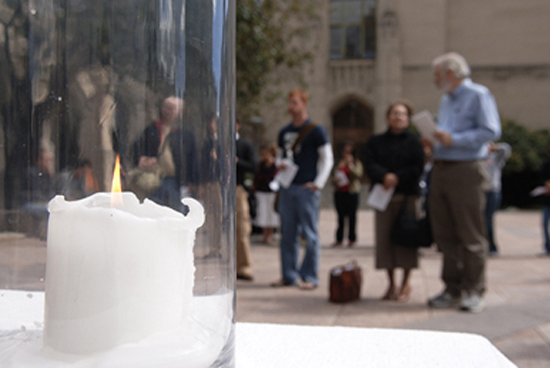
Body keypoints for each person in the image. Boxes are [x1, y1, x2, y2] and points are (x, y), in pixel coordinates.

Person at [425, 52, 501, 313]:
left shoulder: (478, 94)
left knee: (470, 234)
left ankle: (474, 290)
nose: (434, 80)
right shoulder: (446, 99)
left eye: (436, 75)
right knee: (445, 236)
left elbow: (491, 130)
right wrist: (434, 139)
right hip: (441, 169)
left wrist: (453, 140)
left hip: (466, 170)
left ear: (450, 73)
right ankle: (452, 288)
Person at [271, 88, 333, 290]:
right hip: (288, 187)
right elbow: (280, 156)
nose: (292, 107)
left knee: (310, 234)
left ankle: (309, 276)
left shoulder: (316, 130)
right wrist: (279, 164)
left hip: (306, 188)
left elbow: (327, 158)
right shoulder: (284, 131)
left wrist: (318, 183)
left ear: (304, 104)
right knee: (287, 234)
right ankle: (288, 275)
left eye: (295, 102)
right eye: (289, 103)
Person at [364, 100, 424, 301]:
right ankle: (391, 284)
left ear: (408, 119)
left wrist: (397, 177)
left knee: (407, 240)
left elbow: (418, 167)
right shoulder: (376, 141)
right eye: (395, 113)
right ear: (388, 117)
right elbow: (369, 164)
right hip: (384, 197)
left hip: (407, 196)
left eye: (403, 114)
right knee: (385, 241)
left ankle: (406, 283)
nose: (398, 117)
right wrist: (384, 176)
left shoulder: (415, 142)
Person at [132, 96, 199, 212]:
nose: (167, 111)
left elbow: (193, 158)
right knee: (153, 210)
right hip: (155, 178)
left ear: (179, 111)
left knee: (177, 211)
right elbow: (137, 148)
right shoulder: (152, 129)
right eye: (165, 107)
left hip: (177, 180)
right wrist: (143, 160)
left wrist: (193, 181)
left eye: (171, 108)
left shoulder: (185, 133)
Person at [236, 118, 257, 280]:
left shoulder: (244, 145)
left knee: (242, 227)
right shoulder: (215, 143)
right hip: (216, 188)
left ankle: (244, 266)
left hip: (237, 189)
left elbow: (253, 167)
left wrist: (238, 162)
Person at [332, 142, 363, 248]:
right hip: (340, 192)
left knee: (352, 217)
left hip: (352, 192)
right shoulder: (338, 163)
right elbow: (332, 177)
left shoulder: (356, 163)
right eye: (345, 152)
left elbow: (358, 175)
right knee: (340, 216)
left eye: (350, 152)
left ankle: (352, 239)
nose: (347, 154)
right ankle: (339, 239)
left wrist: (350, 166)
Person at [484, 142, 511, 256]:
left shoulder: (495, 158)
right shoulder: (478, 157)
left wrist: (494, 147)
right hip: (479, 191)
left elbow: (506, 149)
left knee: (487, 219)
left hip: (493, 191)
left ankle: (492, 247)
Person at [253, 144, 280, 245]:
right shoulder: (261, 164)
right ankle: (265, 235)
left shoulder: (275, 165)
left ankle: (270, 234)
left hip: (272, 192)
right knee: (263, 213)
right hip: (262, 191)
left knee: (271, 214)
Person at [540, 149, 550, 256]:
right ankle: (548, 247)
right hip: (547, 199)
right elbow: (542, 178)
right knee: (545, 224)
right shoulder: (546, 164)